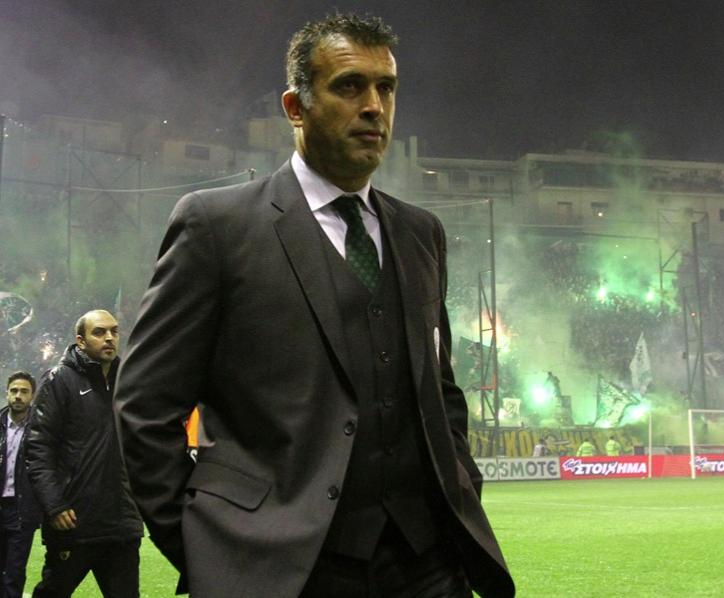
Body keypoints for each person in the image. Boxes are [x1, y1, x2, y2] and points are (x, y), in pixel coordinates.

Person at [114, 13, 514, 598]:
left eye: (386, 88)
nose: (374, 106)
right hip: (283, 571)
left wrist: (461, 485)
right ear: (295, 107)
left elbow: (441, 390)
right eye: (350, 86)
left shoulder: (420, 232)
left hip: (428, 565)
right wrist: (209, 548)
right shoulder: (217, 225)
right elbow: (144, 408)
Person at [25, 310, 143, 598]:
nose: (109, 338)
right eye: (99, 332)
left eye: (114, 331)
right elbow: (39, 447)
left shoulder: (128, 381)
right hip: (74, 521)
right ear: (80, 341)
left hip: (121, 524)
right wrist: (54, 505)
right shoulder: (59, 380)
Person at [0, 372, 42, 598]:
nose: (18, 396)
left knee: (14, 573)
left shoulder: (41, 428)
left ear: (32, 396)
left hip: (22, 510)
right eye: (14, 390)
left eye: (24, 391)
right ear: (6, 393)